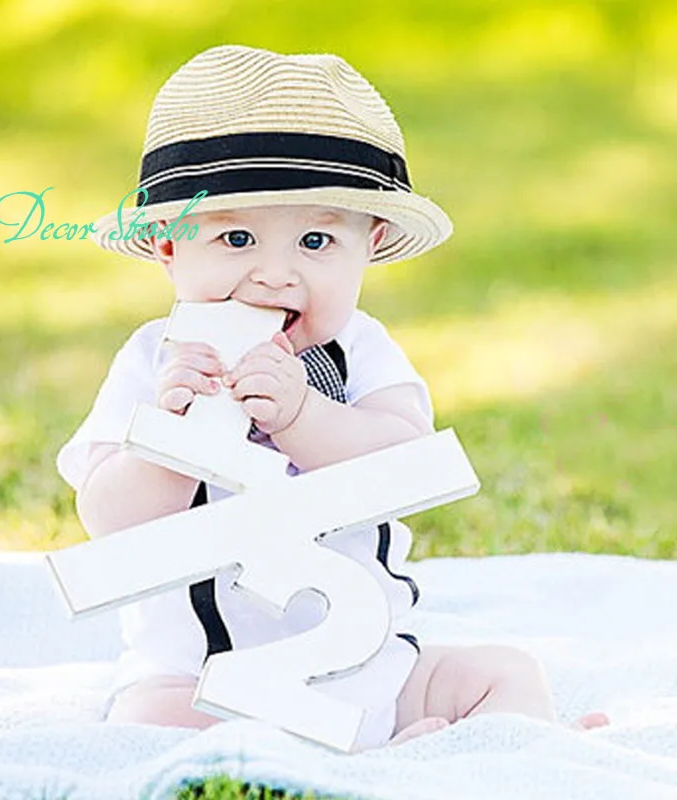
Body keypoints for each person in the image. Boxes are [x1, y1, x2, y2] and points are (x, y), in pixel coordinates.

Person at [55, 44, 608, 752]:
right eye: (236, 238)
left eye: (315, 240)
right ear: (169, 248)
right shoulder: (153, 363)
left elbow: (407, 463)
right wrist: (171, 440)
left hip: (367, 661)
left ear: (368, 246)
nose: (274, 275)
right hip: (201, 676)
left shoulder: (361, 350)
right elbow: (108, 517)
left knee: (505, 672)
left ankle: (514, 749)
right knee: (145, 729)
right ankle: (383, 761)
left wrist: (304, 418)